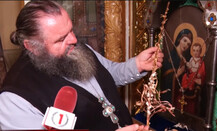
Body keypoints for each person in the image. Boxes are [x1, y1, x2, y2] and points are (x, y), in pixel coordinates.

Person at [0, 1, 163, 131]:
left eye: (71, 30)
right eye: (60, 39)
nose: (73, 40)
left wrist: (137, 65)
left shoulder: (75, 47)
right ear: (32, 46)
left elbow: (108, 74)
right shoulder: (14, 99)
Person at [161, 29, 193, 103]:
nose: (186, 45)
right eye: (184, 41)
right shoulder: (170, 56)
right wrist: (177, 74)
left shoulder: (186, 59)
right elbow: (164, 77)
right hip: (169, 94)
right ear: (179, 39)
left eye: (188, 44)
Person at [181, 42, 205, 114]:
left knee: (192, 78)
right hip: (191, 72)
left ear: (200, 52)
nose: (195, 52)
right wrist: (187, 65)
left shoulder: (201, 61)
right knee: (185, 76)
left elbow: (202, 70)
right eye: (194, 50)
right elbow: (189, 66)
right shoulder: (192, 59)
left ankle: (190, 87)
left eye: (197, 51)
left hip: (196, 75)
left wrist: (199, 74)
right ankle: (184, 87)